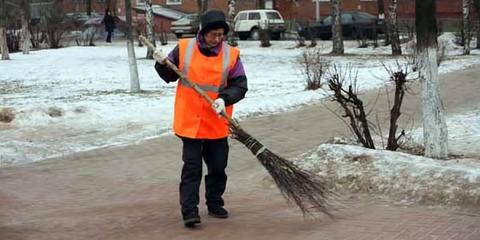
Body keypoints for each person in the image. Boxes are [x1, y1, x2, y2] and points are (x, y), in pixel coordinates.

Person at [154, 10, 248, 228]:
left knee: (217, 167)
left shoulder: (231, 54)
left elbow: (240, 86)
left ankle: (214, 203)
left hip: (217, 121)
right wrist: (161, 64)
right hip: (191, 122)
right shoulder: (184, 48)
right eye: (214, 34)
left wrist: (225, 99)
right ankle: (190, 211)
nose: (218, 39)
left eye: (221, 34)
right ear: (203, 33)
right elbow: (170, 75)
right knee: (192, 167)